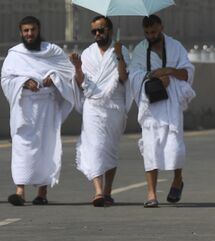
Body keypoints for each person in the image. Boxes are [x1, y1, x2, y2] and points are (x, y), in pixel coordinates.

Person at [1, 16, 78, 206]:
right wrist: (23, 82)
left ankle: (42, 193)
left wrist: (55, 78)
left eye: (32, 30)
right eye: (26, 31)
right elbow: (6, 79)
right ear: (21, 32)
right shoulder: (15, 54)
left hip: (47, 106)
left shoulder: (52, 50)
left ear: (38, 29)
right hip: (24, 107)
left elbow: (68, 72)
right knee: (21, 146)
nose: (29, 34)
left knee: (47, 147)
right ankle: (20, 191)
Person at [128, 15, 196, 208]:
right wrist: (154, 76)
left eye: (155, 32)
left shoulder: (175, 47)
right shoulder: (141, 50)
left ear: (161, 28)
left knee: (174, 147)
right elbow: (134, 75)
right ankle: (151, 194)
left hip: (171, 105)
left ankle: (177, 180)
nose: (151, 35)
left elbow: (187, 72)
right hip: (150, 106)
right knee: (150, 149)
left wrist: (169, 72)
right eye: (148, 33)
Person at [70, 16, 131, 207]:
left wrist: (119, 55)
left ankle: (107, 191)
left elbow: (123, 77)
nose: (97, 34)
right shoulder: (87, 54)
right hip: (93, 106)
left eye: (101, 30)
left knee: (110, 149)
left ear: (110, 31)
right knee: (95, 146)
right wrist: (78, 68)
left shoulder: (121, 51)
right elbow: (82, 82)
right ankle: (97, 191)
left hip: (114, 105)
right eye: (94, 31)